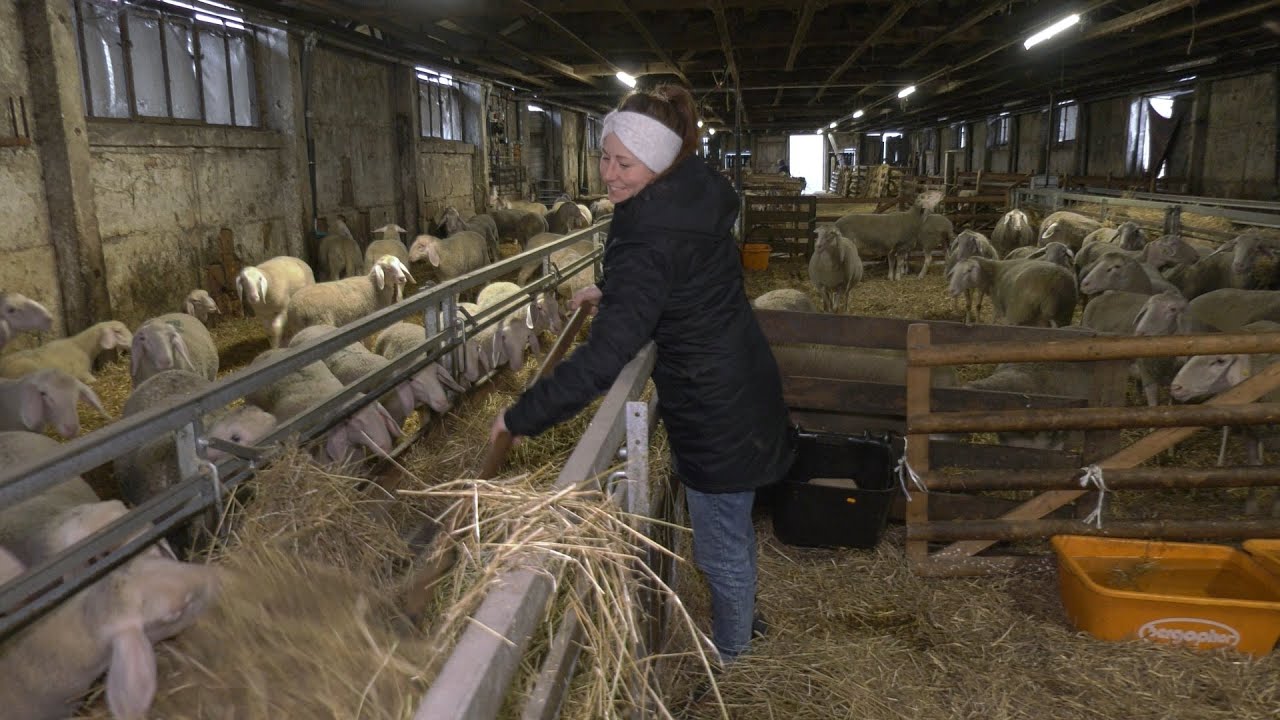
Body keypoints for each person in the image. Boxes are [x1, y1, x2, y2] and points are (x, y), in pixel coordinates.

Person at [489, 84, 796, 665]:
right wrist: (616, 289)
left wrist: (521, 416)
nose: (608, 173)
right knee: (731, 527)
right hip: (739, 380)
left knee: (720, 546)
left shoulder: (650, 231)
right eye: (603, 156)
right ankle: (744, 626)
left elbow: (606, 358)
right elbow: (688, 273)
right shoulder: (693, 194)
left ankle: (734, 661)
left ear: (655, 160)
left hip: (716, 405)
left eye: (623, 162)